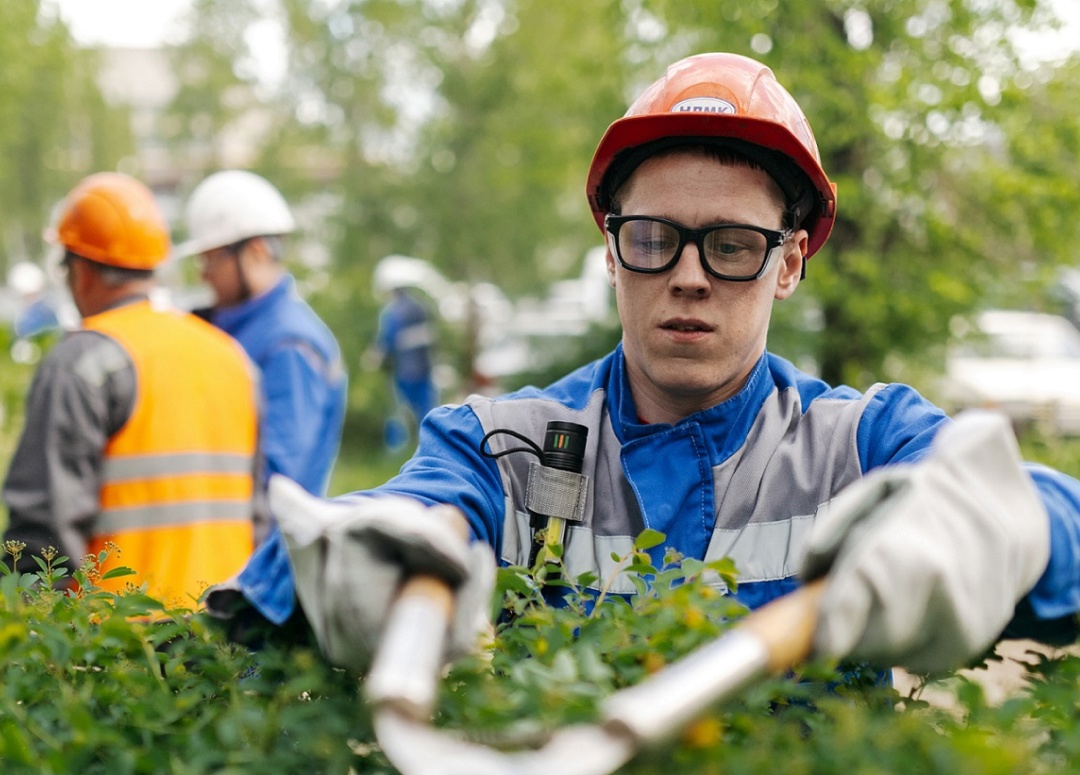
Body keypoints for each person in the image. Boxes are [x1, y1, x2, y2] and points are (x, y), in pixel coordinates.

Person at [210, 52, 1080, 678]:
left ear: (788, 263)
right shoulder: (508, 446)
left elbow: (1041, 508)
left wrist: (990, 526)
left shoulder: (858, 445)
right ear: (611, 250)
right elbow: (417, 507)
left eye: (732, 245)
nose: (689, 276)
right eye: (655, 238)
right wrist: (375, 543)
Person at [2, 172, 263, 609]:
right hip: (224, 632)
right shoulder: (231, 357)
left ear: (80, 270)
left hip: (120, 638)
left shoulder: (82, 363)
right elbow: (260, 511)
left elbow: (44, 531)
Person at [177, 169, 347, 497]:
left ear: (256, 251)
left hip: (264, 530)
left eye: (210, 260)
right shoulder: (242, 329)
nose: (204, 275)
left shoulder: (289, 345)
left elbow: (277, 478)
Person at [371, 258, 439, 450]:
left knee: (398, 411)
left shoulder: (392, 311)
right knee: (427, 412)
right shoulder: (420, 306)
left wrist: (374, 357)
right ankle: (431, 448)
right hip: (425, 367)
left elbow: (386, 340)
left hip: (404, 370)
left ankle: (396, 450)